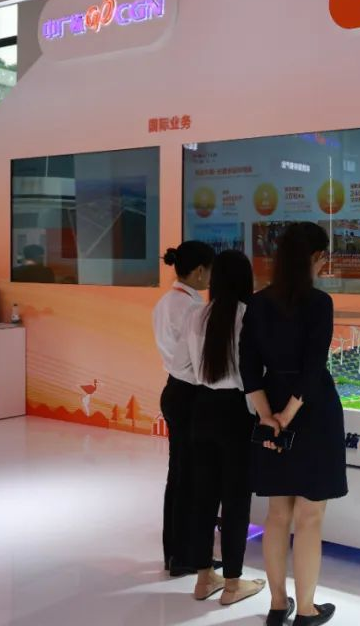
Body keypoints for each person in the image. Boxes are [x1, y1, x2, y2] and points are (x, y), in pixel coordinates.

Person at [242, 222, 344, 626]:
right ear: (317, 257)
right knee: (310, 516)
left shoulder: (257, 303)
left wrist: (268, 416)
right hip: (313, 410)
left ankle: (276, 605)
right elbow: (313, 367)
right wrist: (287, 415)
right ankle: (306, 609)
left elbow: (248, 366)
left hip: (270, 403)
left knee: (277, 514)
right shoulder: (319, 303)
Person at [171, 249, 267, 605]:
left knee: (203, 497)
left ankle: (203, 578)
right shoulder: (248, 315)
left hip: (202, 408)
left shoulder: (196, 314)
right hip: (237, 412)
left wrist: (203, 377)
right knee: (236, 500)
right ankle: (232, 583)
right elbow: (257, 372)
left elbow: (180, 366)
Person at [153, 240, 215, 577]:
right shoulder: (193, 308)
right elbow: (201, 360)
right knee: (192, 476)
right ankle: (188, 555)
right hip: (191, 393)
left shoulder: (166, 302)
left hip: (174, 390)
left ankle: (175, 553)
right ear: (200, 270)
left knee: (178, 475)